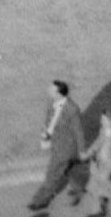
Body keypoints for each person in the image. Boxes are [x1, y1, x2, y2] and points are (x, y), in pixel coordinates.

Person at [28, 80, 83, 211]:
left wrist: (82, 151)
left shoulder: (72, 109)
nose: (48, 90)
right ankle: (78, 188)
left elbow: (78, 131)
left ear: (59, 93)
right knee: (66, 169)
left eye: (51, 89)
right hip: (55, 142)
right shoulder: (52, 101)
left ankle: (41, 200)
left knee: (52, 173)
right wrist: (46, 132)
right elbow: (49, 118)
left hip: (65, 148)